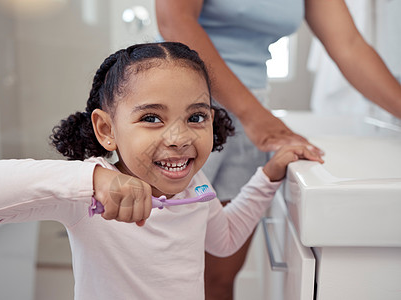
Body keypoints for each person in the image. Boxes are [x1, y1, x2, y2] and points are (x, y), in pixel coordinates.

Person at [0, 42, 323, 300]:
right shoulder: (90, 194)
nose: (179, 137)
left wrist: (269, 176)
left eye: (196, 116)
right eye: (151, 118)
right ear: (107, 130)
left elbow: (222, 241)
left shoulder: (195, 184)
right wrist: (92, 180)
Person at [155, 1, 401, 299]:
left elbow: (349, 46)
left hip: (249, 109)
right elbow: (174, 21)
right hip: (182, 109)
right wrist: (253, 116)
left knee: (221, 275)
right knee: (165, 272)